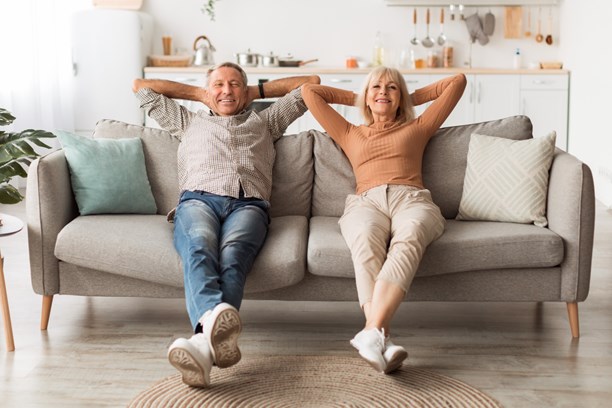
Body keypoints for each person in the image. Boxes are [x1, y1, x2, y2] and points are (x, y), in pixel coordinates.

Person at [133, 62, 320, 387]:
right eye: (219, 84)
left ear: (245, 92)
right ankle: (209, 334)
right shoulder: (187, 121)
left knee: (234, 257)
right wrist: (200, 93)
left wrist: (257, 91)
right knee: (200, 245)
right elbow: (140, 86)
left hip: (249, 204)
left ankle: (202, 346)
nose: (227, 90)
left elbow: (311, 84)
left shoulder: (265, 122)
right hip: (197, 202)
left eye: (235, 84)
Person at [302, 68, 466, 374]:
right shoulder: (350, 132)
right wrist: (361, 97)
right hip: (366, 202)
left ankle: (372, 331)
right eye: (376, 87)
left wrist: (409, 97)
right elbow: (310, 93)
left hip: (412, 199)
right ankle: (379, 337)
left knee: (414, 230)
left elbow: (457, 82)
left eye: (392, 88)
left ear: (400, 96)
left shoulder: (419, 127)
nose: (383, 92)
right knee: (363, 236)